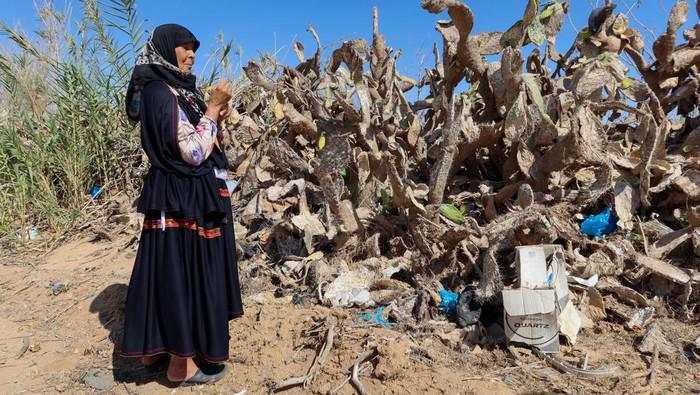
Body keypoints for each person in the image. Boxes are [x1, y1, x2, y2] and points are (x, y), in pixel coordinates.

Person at [120, 24, 243, 385]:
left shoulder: (180, 91)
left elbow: (206, 142)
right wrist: (214, 108)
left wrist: (215, 115)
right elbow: (191, 152)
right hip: (179, 199)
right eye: (183, 48)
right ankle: (180, 364)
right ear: (164, 49)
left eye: (193, 48)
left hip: (192, 198)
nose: (191, 54)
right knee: (179, 276)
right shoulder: (159, 92)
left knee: (179, 273)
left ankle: (159, 350)